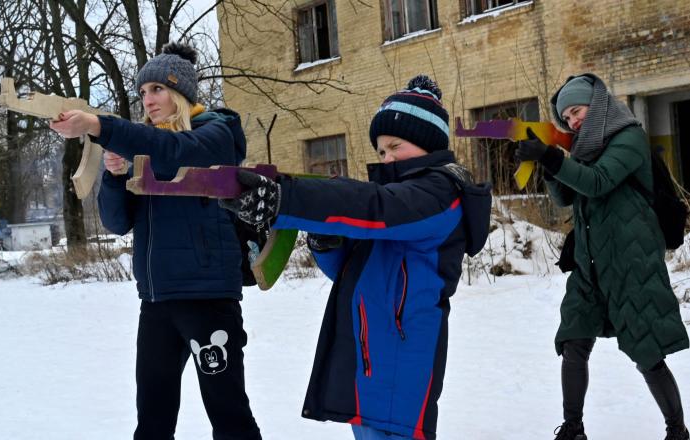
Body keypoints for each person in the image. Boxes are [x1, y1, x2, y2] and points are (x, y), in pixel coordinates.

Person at [220, 75, 491, 439]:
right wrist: (326, 238)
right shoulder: (392, 202)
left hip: (403, 356)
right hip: (368, 351)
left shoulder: (442, 193)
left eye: (396, 146)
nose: (387, 157)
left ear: (427, 144)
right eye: (381, 151)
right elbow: (351, 270)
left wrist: (289, 199)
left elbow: (375, 206)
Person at [50, 42, 262, 440]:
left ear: (181, 92)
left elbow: (176, 152)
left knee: (229, 414)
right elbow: (117, 223)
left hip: (207, 298)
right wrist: (114, 176)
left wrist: (100, 125)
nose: (148, 100)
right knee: (152, 419)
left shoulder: (216, 133)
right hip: (157, 300)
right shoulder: (146, 148)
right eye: (143, 92)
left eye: (158, 90)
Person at [515, 73, 689, 440]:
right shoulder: (582, 146)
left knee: (646, 353)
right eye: (567, 119)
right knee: (574, 340)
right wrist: (547, 163)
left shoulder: (629, 137)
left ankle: (677, 430)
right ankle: (573, 428)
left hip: (631, 261)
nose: (573, 122)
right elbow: (566, 197)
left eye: (577, 112)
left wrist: (552, 155)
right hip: (590, 261)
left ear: (597, 106)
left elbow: (597, 181)